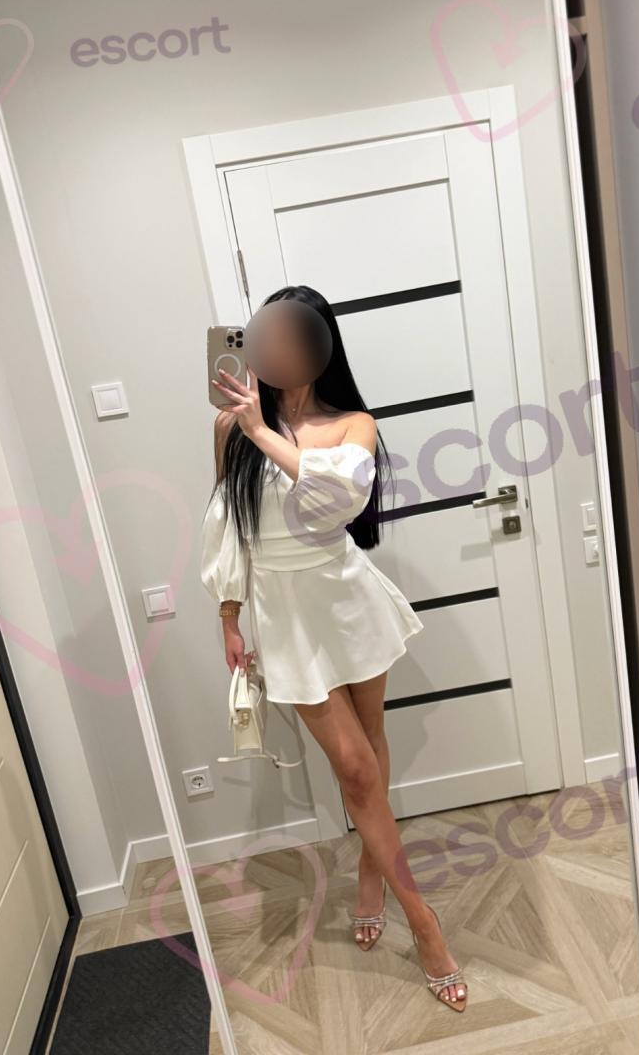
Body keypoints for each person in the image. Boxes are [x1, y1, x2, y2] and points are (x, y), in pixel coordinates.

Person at [200, 285, 468, 1010]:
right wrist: (229, 615)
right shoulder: (230, 429)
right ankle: (424, 921)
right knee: (353, 766)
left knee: (370, 744)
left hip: (347, 600)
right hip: (285, 614)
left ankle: (373, 872)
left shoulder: (354, 425)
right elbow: (229, 524)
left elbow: (336, 500)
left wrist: (261, 430)